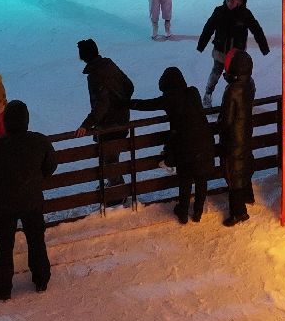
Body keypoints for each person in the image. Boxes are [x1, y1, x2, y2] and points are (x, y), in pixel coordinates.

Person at [0, 100, 55, 301]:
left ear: (7, 121)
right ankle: (41, 278)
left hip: (5, 203)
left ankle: (3, 286)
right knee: (36, 239)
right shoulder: (39, 141)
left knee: (5, 245)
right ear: (26, 120)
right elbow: (51, 166)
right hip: (32, 200)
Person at [129, 66, 215, 224]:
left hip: (186, 145)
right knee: (201, 178)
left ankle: (182, 212)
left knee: (185, 179)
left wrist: (126, 104)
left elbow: (146, 105)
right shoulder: (193, 93)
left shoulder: (169, 99)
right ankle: (197, 212)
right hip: (205, 141)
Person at [75, 38, 135, 206]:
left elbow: (102, 104)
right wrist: (121, 105)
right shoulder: (109, 65)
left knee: (108, 161)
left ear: (83, 56)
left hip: (109, 125)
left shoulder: (95, 75)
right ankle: (116, 189)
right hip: (122, 121)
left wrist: (87, 124)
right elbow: (129, 86)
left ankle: (118, 194)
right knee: (111, 159)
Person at [198, 0, 270, 104]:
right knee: (216, 73)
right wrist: (201, 45)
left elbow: (257, 30)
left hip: (237, 55)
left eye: (232, 1)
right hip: (221, 51)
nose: (229, 3)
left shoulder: (245, 14)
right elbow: (208, 28)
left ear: (239, 1)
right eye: (227, 0)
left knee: (238, 77)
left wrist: (264, 47)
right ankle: (208, 94)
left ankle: (239, 97)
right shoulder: (219, 11)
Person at [218, 50, 257, 225]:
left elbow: (226, 120)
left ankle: (239, 212)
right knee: (244, 163)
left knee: (233, 173)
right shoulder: (249, 84)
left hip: (233, 138)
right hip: (245, 133)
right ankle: (248, 195)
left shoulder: (233, 90)